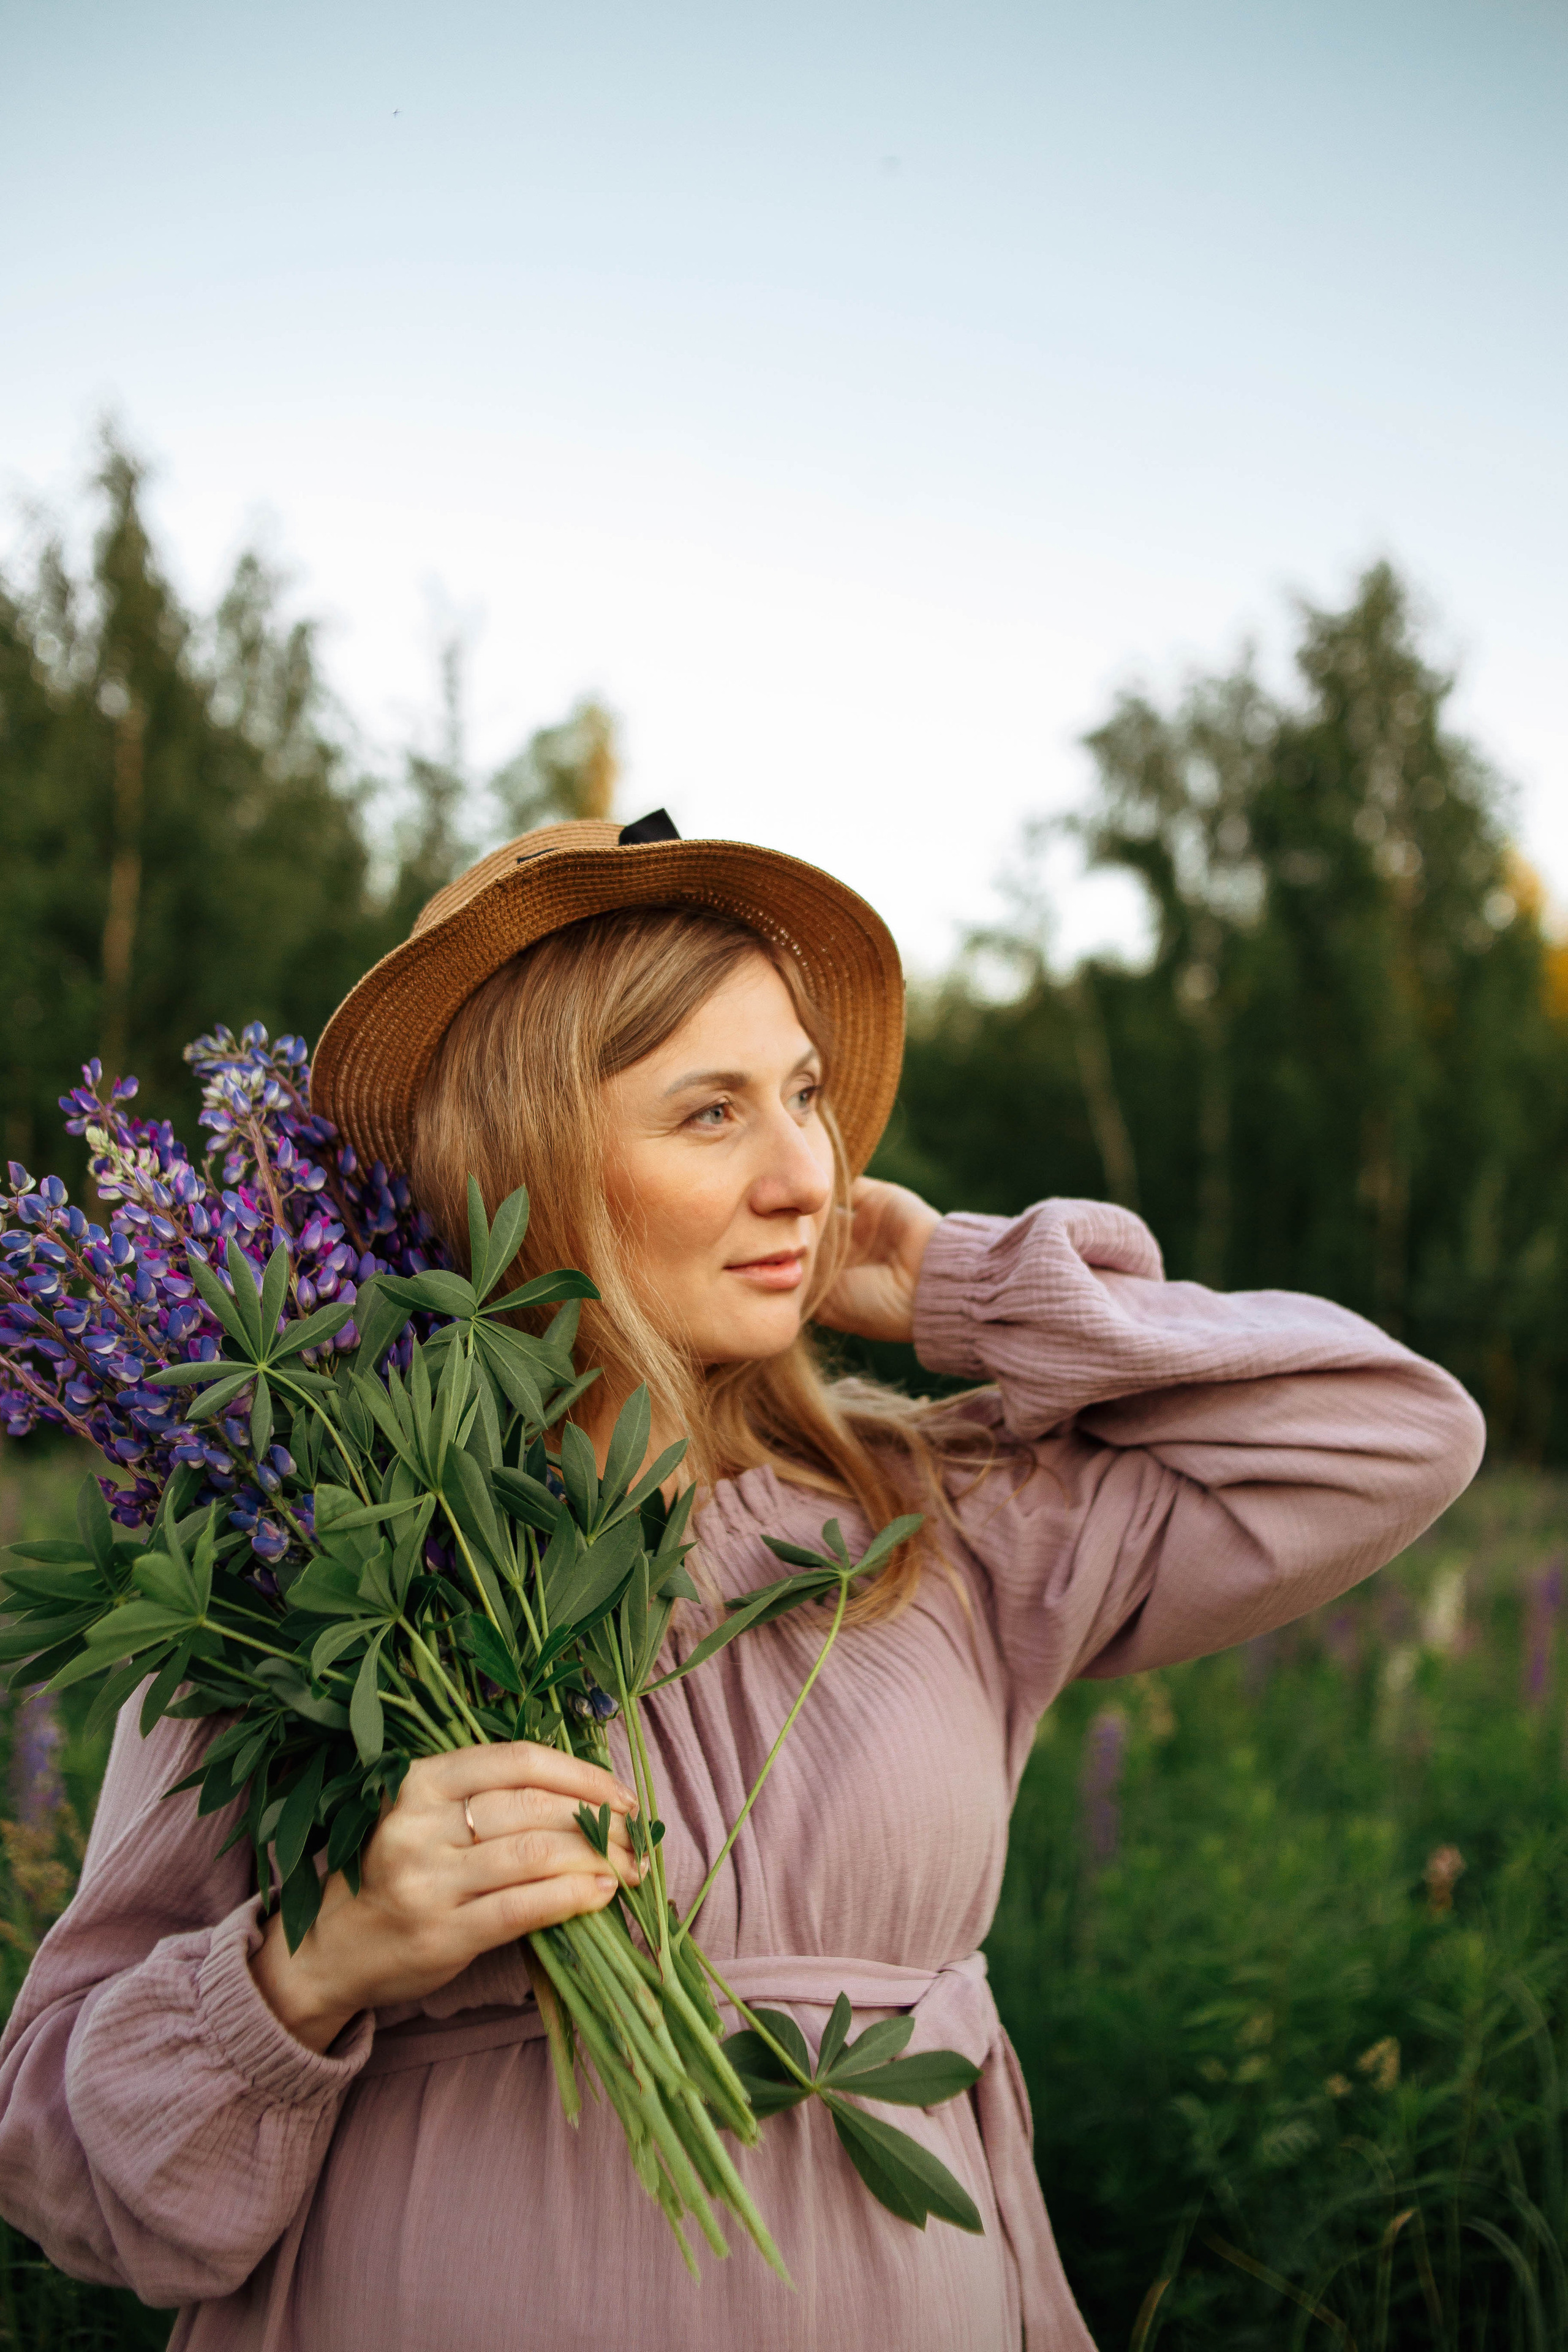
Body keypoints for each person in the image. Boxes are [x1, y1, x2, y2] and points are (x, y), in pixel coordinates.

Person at [0, 814, 1485, 2350]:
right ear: (530, 1163)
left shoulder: (933, 1515)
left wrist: (959, 1288)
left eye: (804, 1098)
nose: (806, 1176)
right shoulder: (314, 1568)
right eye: (709, 1114)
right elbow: (68, 2176)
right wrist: (308, 1969)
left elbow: (1390, 1432)